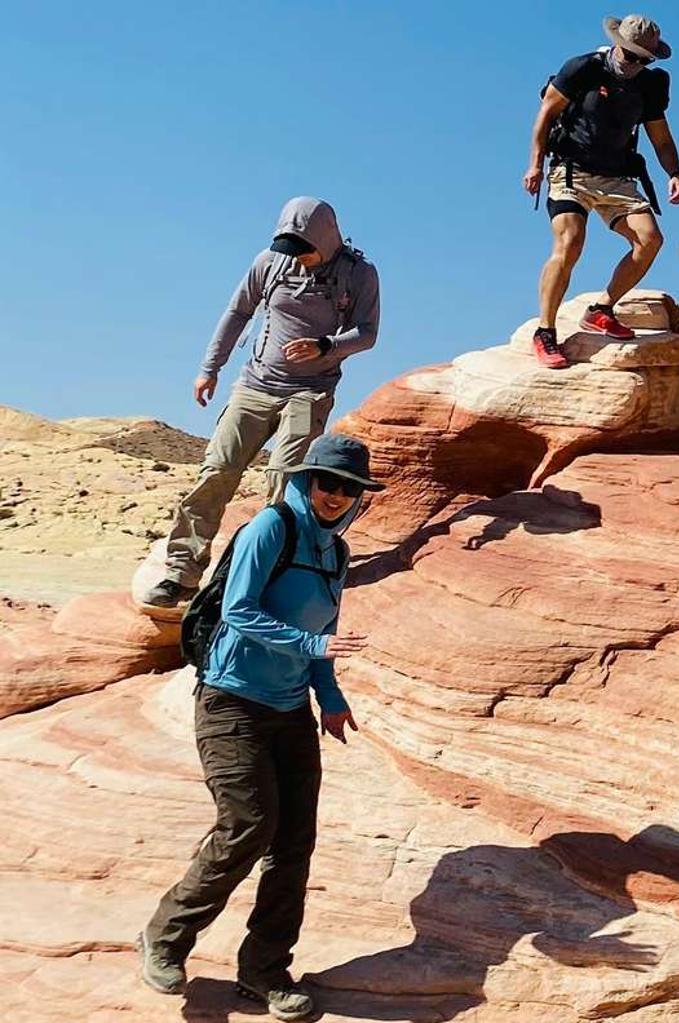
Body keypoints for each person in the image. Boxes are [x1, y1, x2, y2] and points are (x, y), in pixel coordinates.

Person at [137, 433, 383, 1022]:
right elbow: (239, 610)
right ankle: (165, 937)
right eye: (327, 482)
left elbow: (324, 634)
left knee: (294, 843)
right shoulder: (271, 528)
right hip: (231, 701)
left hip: (290, 708)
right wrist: (311, 645)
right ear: (306, 480)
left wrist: (330, 697)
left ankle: (264, 972)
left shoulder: (336, 552)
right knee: (248, 825)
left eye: (348, 488)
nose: (336, 495)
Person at [141, 197, 380, 610]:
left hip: (310, 390)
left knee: (285, 482)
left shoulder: (359, 274)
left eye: (304, 248)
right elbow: (237, 312)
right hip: (255, 385)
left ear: (325, 238)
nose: (297, 256)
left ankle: (270, 575)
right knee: (216, 471)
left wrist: (326, 345)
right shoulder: (269, 263)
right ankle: (181, 573)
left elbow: (368, 332)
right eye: (290, 247)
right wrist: (209, 368)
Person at [523, 13, 679, 370]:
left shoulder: (650, 85)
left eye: (645, 59)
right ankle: (545, 332)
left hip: (617, 177)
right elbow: (546, 114)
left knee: (650, 240)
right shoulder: (584, 69)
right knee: (570, 242)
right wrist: (535, 164)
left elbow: (661, 137)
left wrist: (675, 173)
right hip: (572, 170)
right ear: (617, 45)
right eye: (631, 56)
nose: (636, 64)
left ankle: (601, 309)